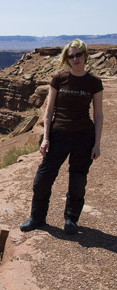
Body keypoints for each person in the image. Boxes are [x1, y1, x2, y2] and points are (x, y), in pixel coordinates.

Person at [20, 39, 104, 234]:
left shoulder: (94, 82)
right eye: (70, 56)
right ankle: (37, 218)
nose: (75, 59)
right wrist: (46, 138)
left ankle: (71, 219)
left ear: (85, 55)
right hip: (58, 136)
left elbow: (98, 115)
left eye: (78, 55)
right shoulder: (59, 79)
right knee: (42, 179)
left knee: (78, 181)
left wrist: (97, 144)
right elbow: (48, 112)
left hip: (84, 137)